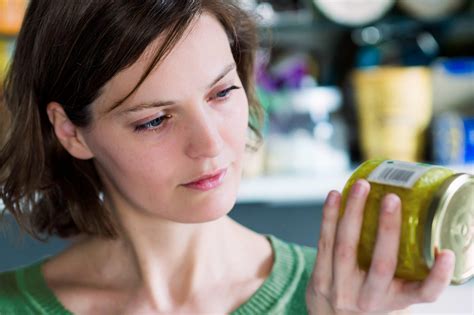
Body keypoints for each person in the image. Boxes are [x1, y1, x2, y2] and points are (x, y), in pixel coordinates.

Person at [0, 1, 454, 314]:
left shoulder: (348, 300)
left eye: (221, 93)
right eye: (155, 120)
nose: (212, 145)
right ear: (71, 132)